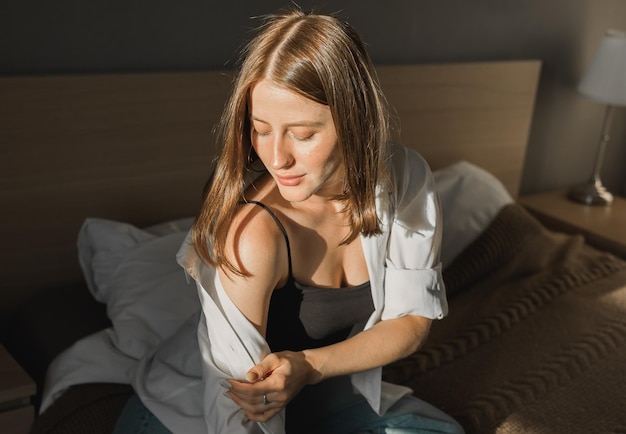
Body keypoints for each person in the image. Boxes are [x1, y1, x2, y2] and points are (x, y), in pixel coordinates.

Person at [114, 7, 464, 434]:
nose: (277, 158)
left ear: (355, 122)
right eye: (260, 130)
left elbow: (411, 321)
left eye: (302, 134)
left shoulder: (405, 178)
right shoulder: (252, 233)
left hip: (321, 396)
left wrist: (310, 366)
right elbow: (239, 409)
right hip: (202, 414)